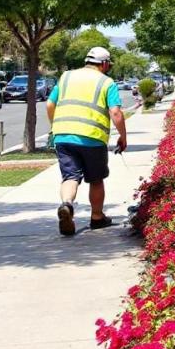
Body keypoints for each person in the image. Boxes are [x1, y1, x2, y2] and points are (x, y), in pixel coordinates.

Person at [47, 46, 128, 235]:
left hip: (63, 135)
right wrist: (123, 138)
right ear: (105, 64)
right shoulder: (107, 82)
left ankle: (67, 205)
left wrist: (55, 127)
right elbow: (115, 113)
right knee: (96, 179)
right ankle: (97, 217)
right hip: (92, 137)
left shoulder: (66, 77)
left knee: (70, 177)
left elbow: (50, 104)